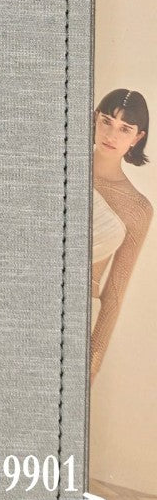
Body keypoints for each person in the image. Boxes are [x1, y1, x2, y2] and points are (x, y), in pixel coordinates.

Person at [91, 88, 153, 377]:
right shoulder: (57, 170)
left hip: (75, 318)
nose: (111, 134)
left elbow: (113, 299)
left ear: (137, 138)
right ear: (94, 119)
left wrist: (90, 369)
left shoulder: (138, 209)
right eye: (106, 121)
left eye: (125, 128)